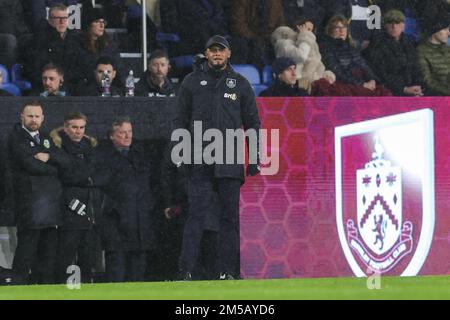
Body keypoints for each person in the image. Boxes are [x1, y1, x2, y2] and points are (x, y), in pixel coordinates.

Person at [174, 35, 261, 280]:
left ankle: (227, 272)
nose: (217, 55)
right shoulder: (191, 82)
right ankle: (186, 271)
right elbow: (179, 119)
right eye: (212, 51)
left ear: (228, 54)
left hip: (230, 160)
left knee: (229, 219)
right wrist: (178, 152)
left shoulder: (241, 84)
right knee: (196, 216)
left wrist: (254, 158)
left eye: (221, 51)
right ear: (206, 54)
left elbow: (252, 123)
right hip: (199, 159)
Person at [7, 101, 70, 284]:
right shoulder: (15, 138)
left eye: (37, 116)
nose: (33, 120)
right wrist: (54, 168)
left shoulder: (46, 138)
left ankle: (44, 290)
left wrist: (49, 157)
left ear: (42, 118)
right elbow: (30, 165)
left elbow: (64, 161)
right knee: (26, 252)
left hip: (49, 206)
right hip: (29, 205)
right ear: (22, 117)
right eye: (30, 116)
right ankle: (18, 289)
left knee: (48, 254)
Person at [94, 116, 155, 282]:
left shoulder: (139, 155)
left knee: (138, 276)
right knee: (116, 275)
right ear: (112, 136)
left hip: (140, 226)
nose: (127, 136)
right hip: (116, 225)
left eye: (130, 132)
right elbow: (99, 186)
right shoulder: (102, 157)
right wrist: (113, 208)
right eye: (122, 133)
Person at [49, 112, 101, 283]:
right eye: (74, 127)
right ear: (65, 127)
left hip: (89, 206)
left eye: (81, 127)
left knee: (87, 255)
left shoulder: (90, 146)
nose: (78, 131)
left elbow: (93, 173)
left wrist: (81, 174)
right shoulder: (57, 146)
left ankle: (83, 290)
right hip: (68, 207)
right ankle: (64, 290)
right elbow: (65, 176)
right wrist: (84, 176)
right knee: (66, 254)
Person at [314, 15, 392, 96]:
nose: (341, 30)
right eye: (337, 27)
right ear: (330, 31)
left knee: (384, 93)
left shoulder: (351, 48)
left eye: (344, 27)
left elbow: (364, 65)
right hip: (345, 83)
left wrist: (372, 79)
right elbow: (338, 72)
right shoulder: (326, 48)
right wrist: (361, 84)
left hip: (361, 81)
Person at [366, 10, 424, 96]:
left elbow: (416, 68)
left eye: (397, 22)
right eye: (390, 23)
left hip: (412, 88)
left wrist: (418, 87)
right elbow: (381, 74)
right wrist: (404, 89)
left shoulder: (409, 44)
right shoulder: (377, 45)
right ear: (385, 26)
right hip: (392, 91)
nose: (394, 26)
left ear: (403, 25)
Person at [271, 17, 336, 92]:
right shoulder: (284, 43)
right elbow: (301, 56)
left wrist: (325, 75)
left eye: (310, 30)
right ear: (298, 27)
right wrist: (304, 36)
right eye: (306, 29)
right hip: (295, 84)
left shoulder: (307, 43)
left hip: (311, 84)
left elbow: (316, 63)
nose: (308, 33)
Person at [26, 3, 80, 88]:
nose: (62, 22)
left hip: (70, 83)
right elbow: (37, 66)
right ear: (50, 20)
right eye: (58, 18)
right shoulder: (40, 39)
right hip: (46, 84)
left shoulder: (74, 39)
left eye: (65, 18)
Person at [71, 8, 123, 89]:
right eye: (97, 22)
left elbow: (120, 69)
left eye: (103, 22)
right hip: (83, 90)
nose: (102, 25)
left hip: (108, 90)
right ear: (88, 24)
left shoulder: (110, 45)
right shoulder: (76, 45)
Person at [230, 0, 285, 67]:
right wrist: (254, 37)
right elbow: (238, 24)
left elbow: (280, 24)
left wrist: (273, 37)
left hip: (269, 36)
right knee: (251, 46)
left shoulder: (276, 2)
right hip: (248, 36)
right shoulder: (242, 2)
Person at [417, 15, 450, 96]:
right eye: (445, 29)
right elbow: (428, 81)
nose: (448, 33)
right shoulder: (421, 51)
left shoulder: (448, 49)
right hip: (439, 97)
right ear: (435, 31)